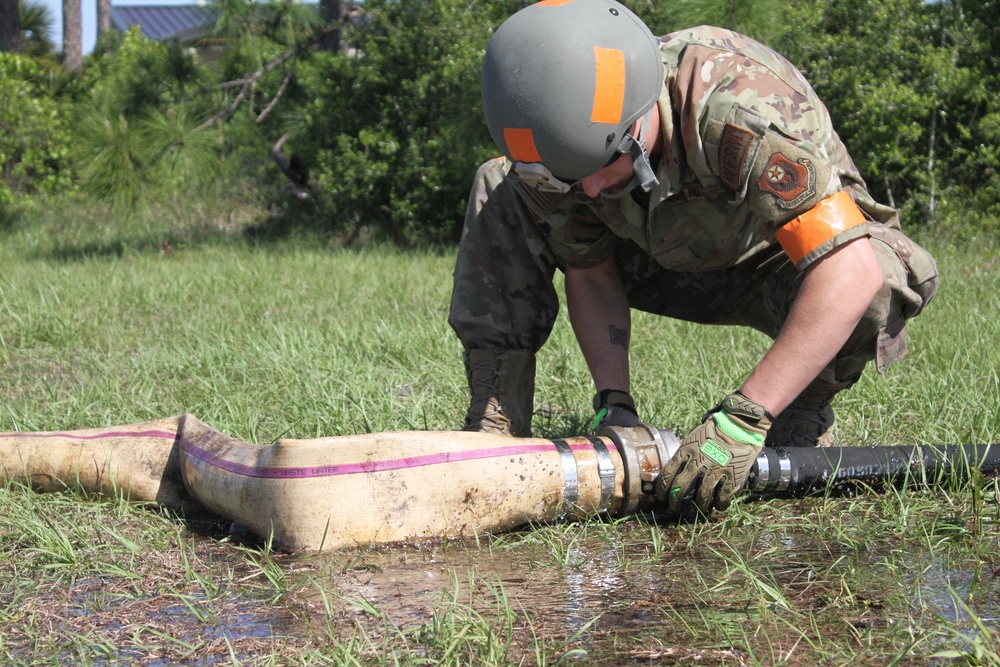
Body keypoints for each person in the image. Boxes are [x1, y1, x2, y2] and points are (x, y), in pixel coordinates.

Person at [447, 0, 938, 517]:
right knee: (500, 186)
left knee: (882, 274)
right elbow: (589, 271)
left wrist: (743, 418)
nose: (589, 188)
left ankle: (796, 412)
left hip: (778, 265)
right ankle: (494, 421)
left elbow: (850, 271)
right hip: (656, 257)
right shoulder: (571, 146)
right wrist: (615, 406)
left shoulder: (741, 106)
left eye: (601, 165)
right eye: (571, 176)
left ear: (639, 116)